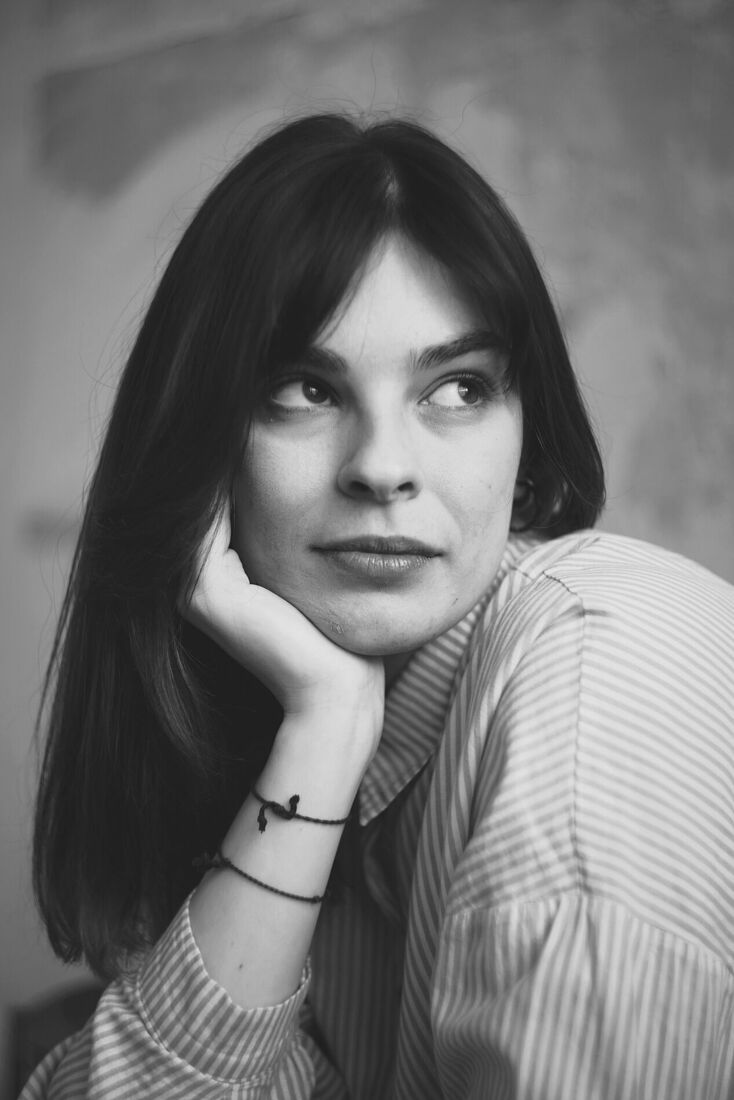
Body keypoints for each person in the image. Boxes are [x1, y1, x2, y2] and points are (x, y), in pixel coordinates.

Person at [21, 113, 734, 1100]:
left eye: (458, 388)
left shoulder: (598, 671)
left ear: (527, 444)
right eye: (306, 389)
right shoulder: (292, 741)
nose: (383, 467)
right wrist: (327, 721)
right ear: (202, 447)